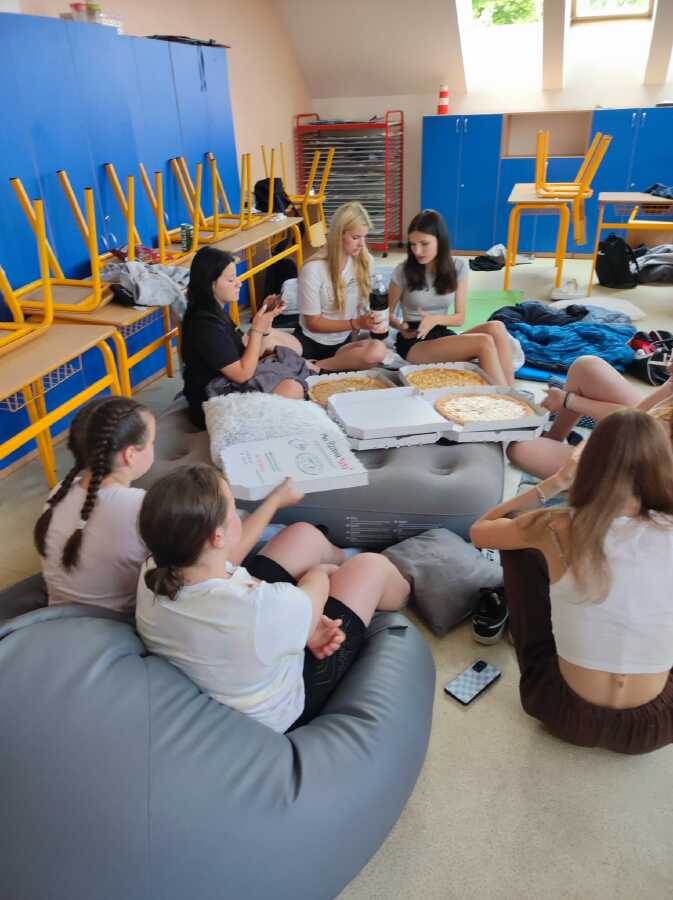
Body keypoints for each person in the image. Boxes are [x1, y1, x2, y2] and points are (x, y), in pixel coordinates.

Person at [136, 464, 410, 733]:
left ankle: (344, 559)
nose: (237, 514)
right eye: (234, 508)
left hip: (244, 656)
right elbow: (310, 594)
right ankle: (408, 581)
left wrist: (275, 501)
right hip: (285, 701)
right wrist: (319, 572)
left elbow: (230, 560)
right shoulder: (258, 608)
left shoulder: (156, 568)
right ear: (217, 537)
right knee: (370, 567)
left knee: (303, 535)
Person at [471, 409, 673, 755]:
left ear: (589, 464)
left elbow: (479, 531)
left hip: (562, 712)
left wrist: (555, 483)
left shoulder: (554, 525)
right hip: (656, 727)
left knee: (519, 541)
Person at [34, 396, 156, 615]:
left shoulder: (59, 492)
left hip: (56, 618)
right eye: (151, 442)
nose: (153, 448)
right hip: (116, 625)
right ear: (130, 455)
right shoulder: (141, 506)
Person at [181, 247, 310, 430]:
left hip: (228, 384)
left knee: (293, 359)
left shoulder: (215, 311)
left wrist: (265, 321)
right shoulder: (205, 324)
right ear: (211, 284)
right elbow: (243, 375)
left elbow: (252, 354)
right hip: (212, 401)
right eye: (231, 279)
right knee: (292, 387)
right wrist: (256, 330)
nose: (239, 283)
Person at [388, 210, 514, 386]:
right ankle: (504, 397)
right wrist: (401, 327)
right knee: (484, 342)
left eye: (424, 243)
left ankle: (511, 392)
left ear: (440, 241)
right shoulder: (402, 271)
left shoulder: (458, 266)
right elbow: (386, 314)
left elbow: (459, 318)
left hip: (442, 333)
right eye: (413, 244)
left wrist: (435, 320)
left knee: (497, 327)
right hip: (414, 341)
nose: (417, 251)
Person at [507, 354, 673, 478]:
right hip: (642, 435)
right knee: (586, 366)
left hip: (648, 470)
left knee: (519, 448)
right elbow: (642, 412)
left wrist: (569, 400)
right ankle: (554, 437)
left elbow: (635, 424)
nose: (668, 366)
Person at [294, 201, 387, 372]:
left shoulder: (365, 261)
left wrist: (366, 324)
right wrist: (357, 323)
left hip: (343, 343)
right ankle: (318, 367)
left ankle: (316, 367)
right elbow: (313, 324)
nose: (362, 244)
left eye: (364, 237)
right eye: (356, 238)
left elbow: (358, 310)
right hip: (311, 342)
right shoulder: (313, 269)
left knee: (378, 350)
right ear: (338, 236)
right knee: (268, 344)